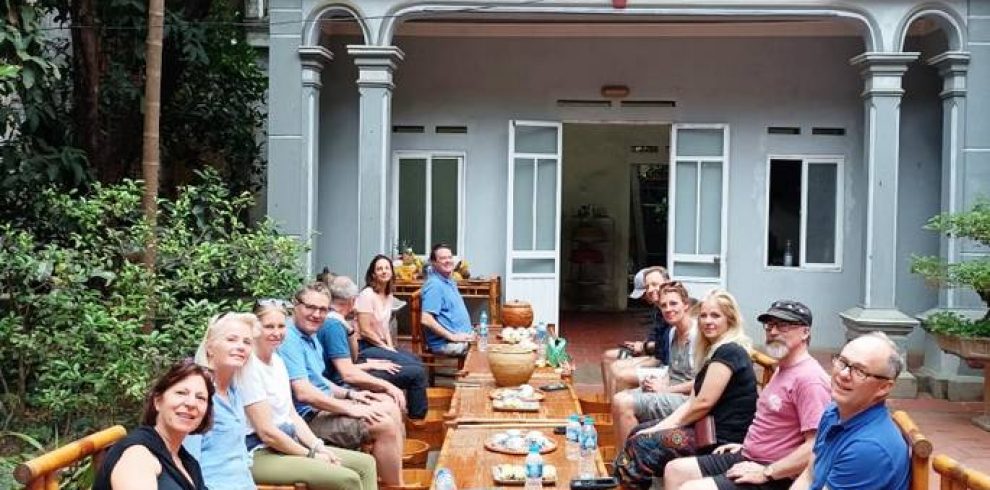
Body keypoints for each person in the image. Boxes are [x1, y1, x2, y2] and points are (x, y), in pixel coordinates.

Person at [664, 300, 831, 490]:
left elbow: (816, 446)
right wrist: (746, 446)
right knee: (675, 470)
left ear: (805, 332)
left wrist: (766, 472)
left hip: (777, 474)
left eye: (783, 325)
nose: (773, 332)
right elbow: (774, 424)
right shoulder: (782, 368)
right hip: (748, 455)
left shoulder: (810, 380)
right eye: (769, 325)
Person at [615, 289, 757, 488]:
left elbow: (702, 404)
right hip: (704, 429)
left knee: (643, 445)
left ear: (730, 320)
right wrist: (659, 427)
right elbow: (692, 401)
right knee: (639, 433)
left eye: (715, 315)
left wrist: (660, 429)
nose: (708, 321)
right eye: (704, 316)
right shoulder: (712, 351)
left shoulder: (730, 351)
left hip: (721, 438)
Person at [241, 300, 378, 490]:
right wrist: (311, 455)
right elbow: (267, 433)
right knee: (347, 479)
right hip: (259, 453)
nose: (276, 332)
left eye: (281, 326)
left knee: (365, 464)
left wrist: (317, 446)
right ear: (254, 328)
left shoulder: (278, 362)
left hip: (288, 443)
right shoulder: (249, 368)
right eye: (269, 326)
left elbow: (292, 416)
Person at [279, 281, 406, 486]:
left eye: (322, 309)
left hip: (325, 406)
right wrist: (350, 408)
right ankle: (396, 485)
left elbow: (321, 383)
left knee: (389, 404)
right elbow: (304, 394)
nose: (316, 314)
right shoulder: (288, 338)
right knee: (384, 425)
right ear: (296, 305)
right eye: (310, 307)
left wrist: (351, 396)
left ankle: (390, 476)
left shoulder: (311, 336)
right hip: (307, 418)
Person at [790, 332, 909, 490]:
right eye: (843, 362)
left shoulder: (869, 449)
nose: (844, 374)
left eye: (860, 371)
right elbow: (810, 475)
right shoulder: (833, 412)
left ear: (884, 387)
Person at [317, 274, 426, 419]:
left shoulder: (337, 321)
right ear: (352, 300)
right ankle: (417, 423)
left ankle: (413, 416)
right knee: (417, 374)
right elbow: (344, 373)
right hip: (342, 382)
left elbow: (347, 361)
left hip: (352, 367)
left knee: (413, 363)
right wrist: (376, 374)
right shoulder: (334, 326)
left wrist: (369, 363)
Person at [94, 359, 213, 490]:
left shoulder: (188, 463)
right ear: (158, 401)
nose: (191, 403)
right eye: (181, 393)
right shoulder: (138, 456)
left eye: (200, 398)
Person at [611, 281, 697, 447]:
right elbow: (672, 370)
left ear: (686, 305)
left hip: (688, 399)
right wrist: (658, 381)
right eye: (664, 305)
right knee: (619, 397)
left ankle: (629, 463)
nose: (668, 309)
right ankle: (624, 456)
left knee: (623, 402)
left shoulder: (696, 336)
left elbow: (701, 383)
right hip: (671, 387)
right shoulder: (672, 332)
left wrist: (666, 389)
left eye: (673, 304)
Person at [183, 313, 259, 489]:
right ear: (210, 347)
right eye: (231, 339)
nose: (240, 347)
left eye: (247, 342)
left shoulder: (234, 392)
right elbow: (187, 461)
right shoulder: (197, 394)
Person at [351, 256, 429, 419]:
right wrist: (385, 348)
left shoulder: (388, 294)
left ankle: (412, 409)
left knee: (416, 360)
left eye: (387, 268)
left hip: (379, 344)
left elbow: (385, 325)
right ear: (373, 274)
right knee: (416, 370)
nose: (384, 271)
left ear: (392, 272)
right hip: (366, 347)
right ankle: (416, 417)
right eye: (379, 268)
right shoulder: (367, 294)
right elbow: (365, 330)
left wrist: (391, 346)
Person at [602, 266, 671, 395]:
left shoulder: (670, 312)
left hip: (662, 363)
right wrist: (643, 345)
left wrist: (644, 346)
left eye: (654, 285)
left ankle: (615, 408)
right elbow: (656, 340)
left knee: (618, 371)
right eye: (647, 287)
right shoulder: (658, 310)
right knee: (609, 360)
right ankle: (609, 406)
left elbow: (662, 349)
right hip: (656, 356)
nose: (647, 293)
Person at [420, 242, 475, 355]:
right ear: (434, 262)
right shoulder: (434, 285)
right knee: (481, 351)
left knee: (490, 340)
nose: (448, 261)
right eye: (443, 258)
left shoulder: (448, 280)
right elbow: (426, 319)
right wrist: (453, 337)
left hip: (463, 337)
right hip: (447, 343)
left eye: (450, 257)